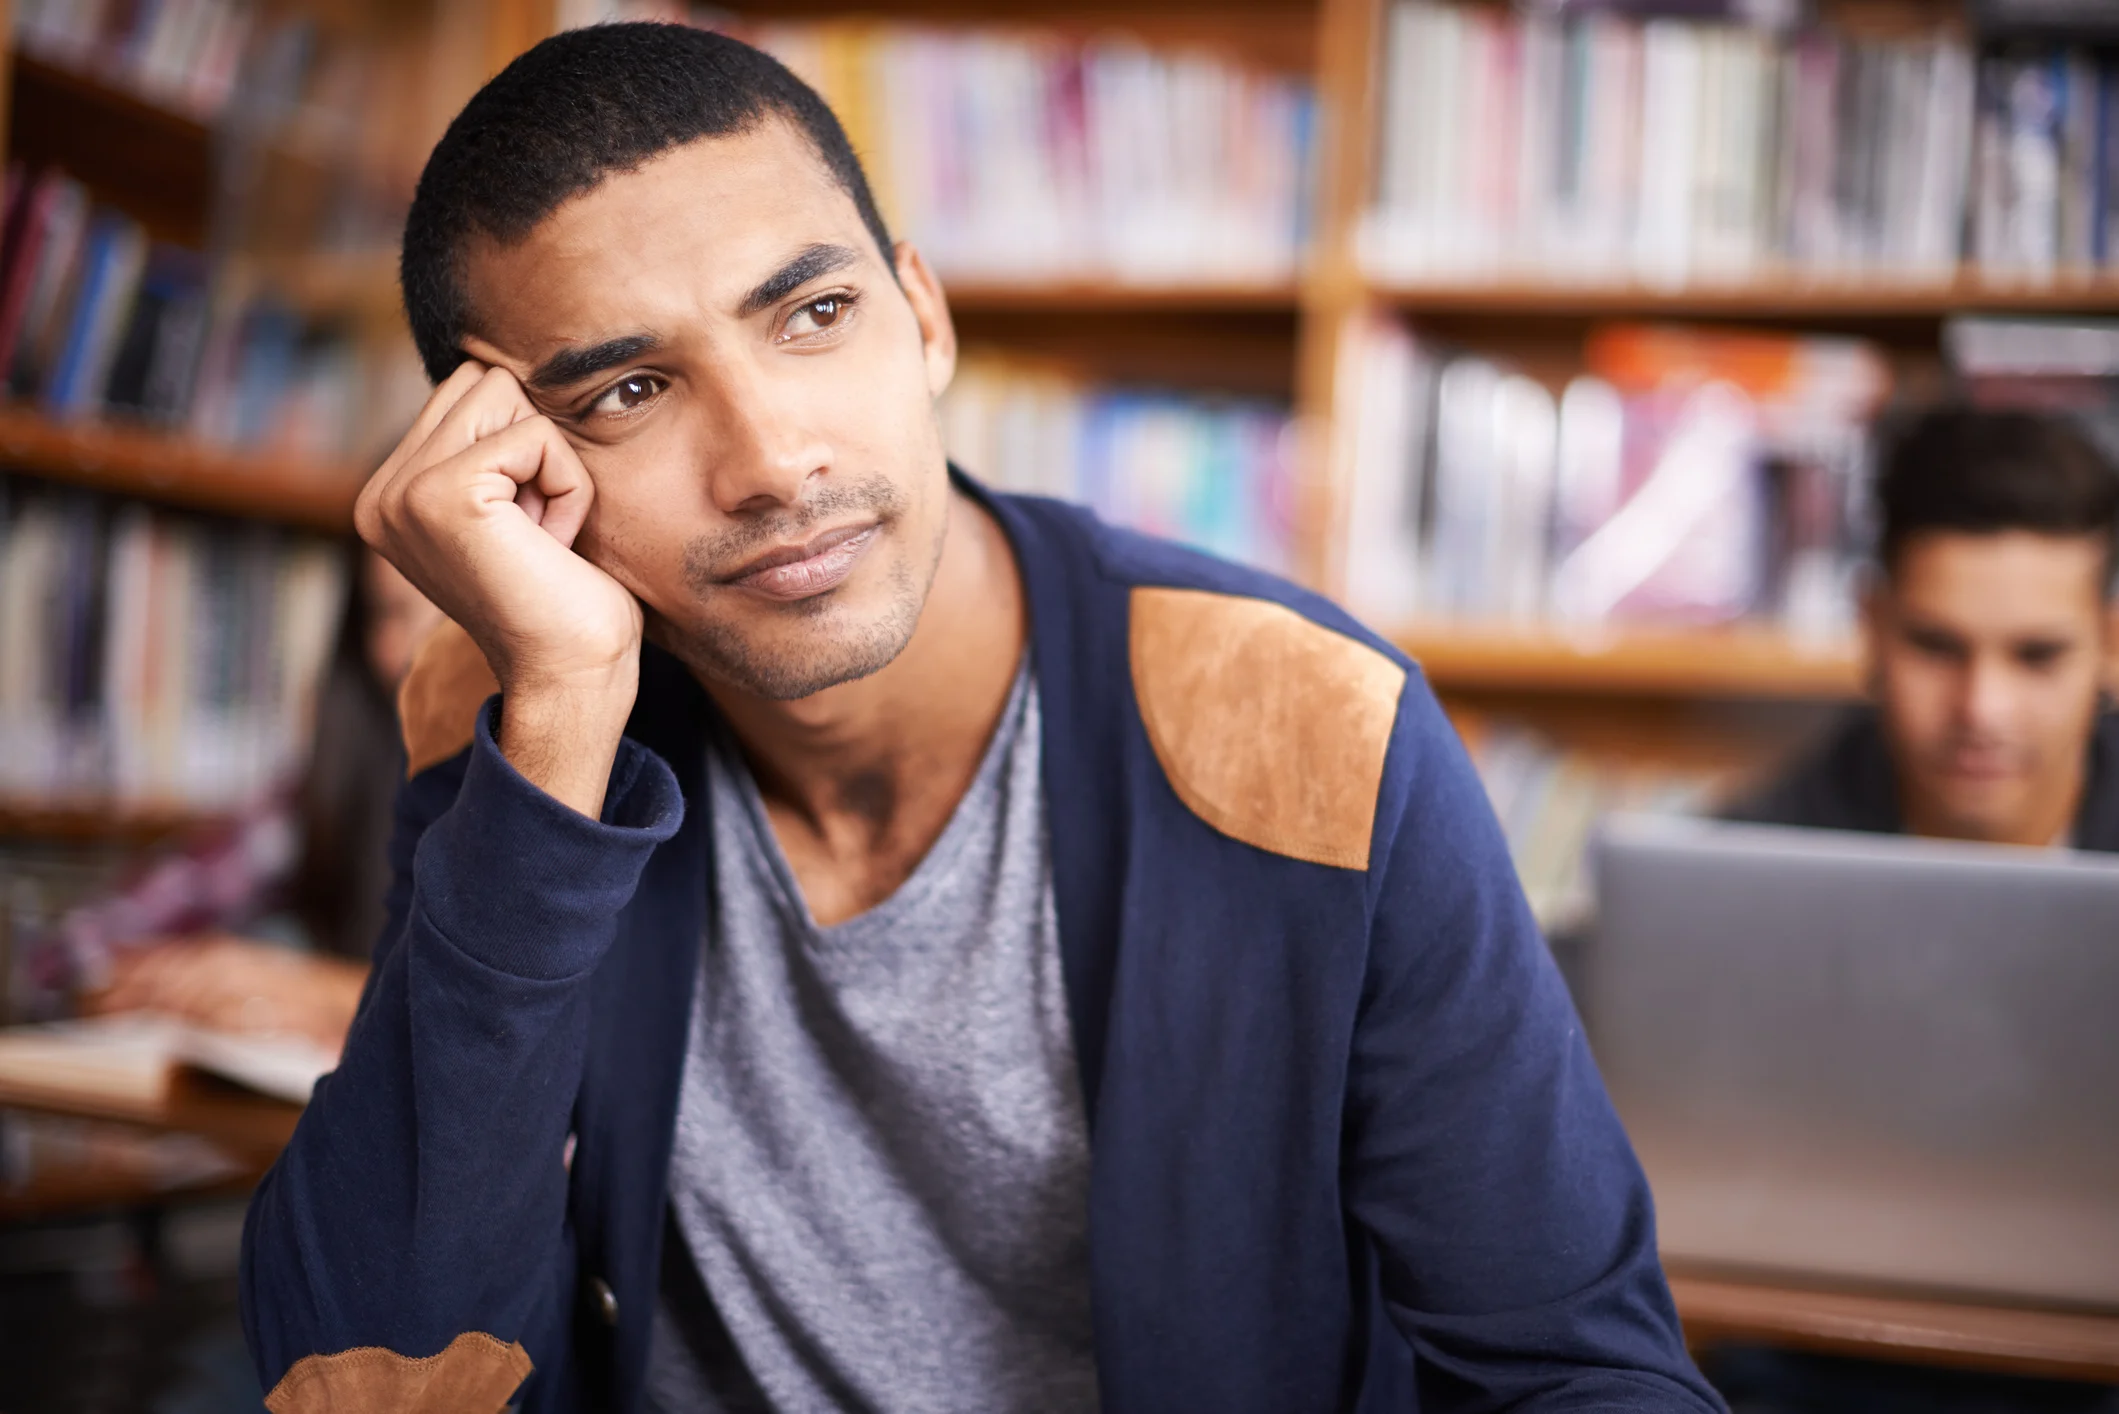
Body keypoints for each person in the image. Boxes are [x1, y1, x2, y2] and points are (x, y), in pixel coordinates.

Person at [238, 24, 1718, 1414]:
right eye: (628, 391)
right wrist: (555, 718)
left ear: (924, 316)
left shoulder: (1304, 717)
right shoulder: (513, 731)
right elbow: (359, 1370)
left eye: (814, 313)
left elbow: (1575, 1366)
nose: (770, 459)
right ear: (508, 467)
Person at [70, 549, 441, 1052]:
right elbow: (81, 950)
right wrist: (185, 980)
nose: (416, 648)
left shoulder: (556, 814)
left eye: (455, 610)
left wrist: (322, 990)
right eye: (389, 613)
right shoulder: (337, 787)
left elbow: (529, 1039)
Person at [1733, 406, 2119, 850]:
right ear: (1872, 629)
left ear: (2110, 645)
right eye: (1937, 648)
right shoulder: (1752, 859)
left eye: (2038, 655)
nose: (1982, 709)